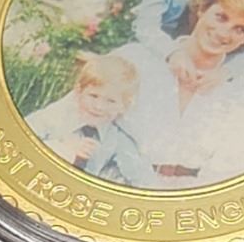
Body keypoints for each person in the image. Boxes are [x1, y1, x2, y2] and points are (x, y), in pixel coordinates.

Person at [119, 0, 244, 188]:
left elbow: (232, 169)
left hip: (190, 197)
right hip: (118, 184)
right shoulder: (133, 60)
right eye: (221, 17)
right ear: (202, 10)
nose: (224, 33)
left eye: (240, 29)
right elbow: (84, 126)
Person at [23, 53, 152, 185]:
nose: (99, 106)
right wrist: (62, 148)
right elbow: (21, 139)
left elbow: (142, 178)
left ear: (124, 106)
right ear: (78, 92)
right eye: (93, 96)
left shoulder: (119, 137)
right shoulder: (56, 116)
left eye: (111, 101)